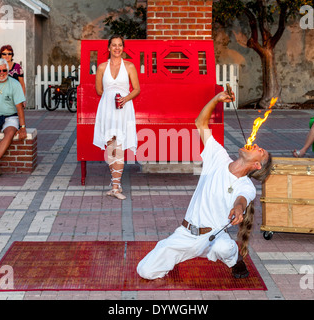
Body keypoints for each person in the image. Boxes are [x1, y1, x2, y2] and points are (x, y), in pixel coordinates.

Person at [137, 91, 273, 280]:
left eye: (261, 151)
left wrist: (238, 207)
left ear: (257, 165)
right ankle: (175, 256)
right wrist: (216, 99)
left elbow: (242, 199)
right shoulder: (218, 157)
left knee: (223, 247)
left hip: (213, 237)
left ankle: (234, 259)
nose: (256, 145)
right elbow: (200, 123)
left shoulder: (246, 185)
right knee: (145, 271)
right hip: (185, 234)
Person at [93, 35, 140, 200]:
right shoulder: (101, 68)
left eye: (120, 45)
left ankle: (115, 187)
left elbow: (137, 89)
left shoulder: (129, 66)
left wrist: (124, 99)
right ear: (109, 47)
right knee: (110, 145)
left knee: (118, 144)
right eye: (114, 45)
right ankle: (115, 184)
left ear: (123, 48)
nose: (117, 48)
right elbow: (99, 90)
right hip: (107, 108)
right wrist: (110, 97)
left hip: (123, 108)